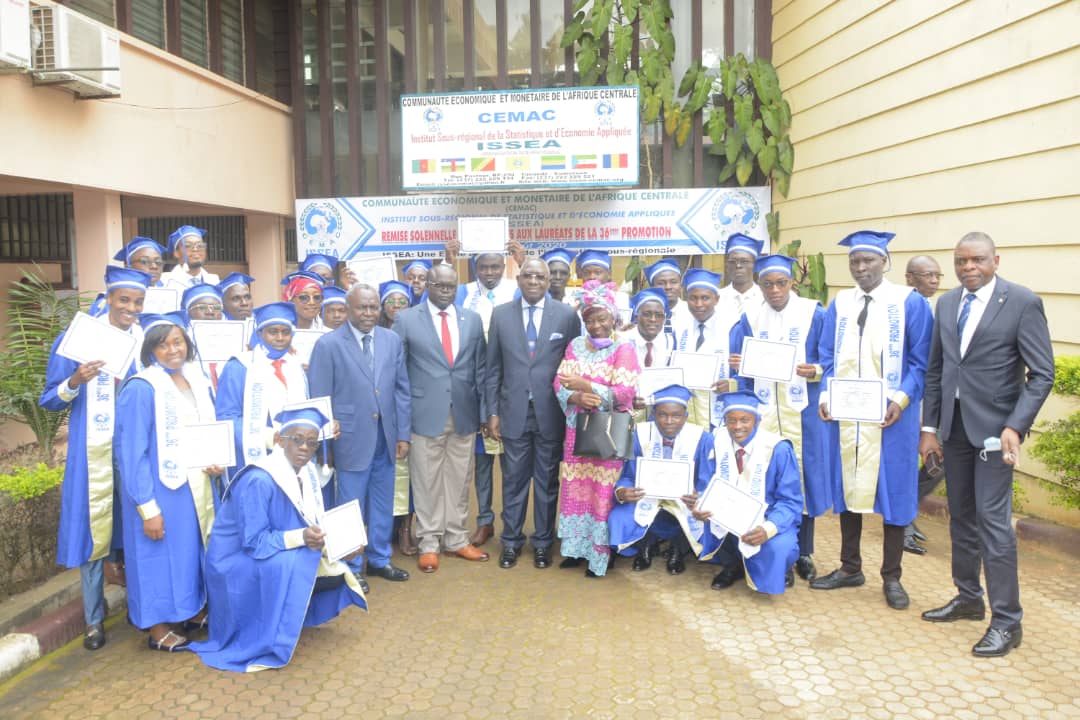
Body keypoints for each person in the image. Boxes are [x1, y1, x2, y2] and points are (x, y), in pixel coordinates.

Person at [919, 232, 1054, 657]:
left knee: (993, 524)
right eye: (961, 261)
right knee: (961, 517)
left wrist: (1016, 425)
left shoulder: (1022, 302)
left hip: (997, 434)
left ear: (996, 260)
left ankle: (1008, 622)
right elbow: (937, 371)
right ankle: (968, 598)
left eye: (977, 260)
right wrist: (929, 428)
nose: (969, 267)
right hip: (954, 429)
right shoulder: (946, 303)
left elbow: (1042, 374)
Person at [191, 408, 367, 672]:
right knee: (299, 562)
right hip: (235, 561)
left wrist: (342, 547)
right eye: (297, 439)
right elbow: (254, 543)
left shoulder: (305, 473)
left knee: (330, 566)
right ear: (281, 441)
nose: (304, 447)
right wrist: (303, 538)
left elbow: (313, 525)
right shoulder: (260, 479)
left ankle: (284, 620)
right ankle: (265, 632)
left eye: (312, 442)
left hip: (270, 548)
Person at [811, 230, 933, 611]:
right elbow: (826, 356)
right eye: (854, 261)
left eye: (868, 260)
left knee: (895, 491)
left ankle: (892, 576)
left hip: (892, 419)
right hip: (848, 416)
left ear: (885, 262)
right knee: (848, 488)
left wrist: (901, 399)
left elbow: (921, 361)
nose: (861, 267)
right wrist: (827, 395)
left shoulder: (909, 302)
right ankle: (850, 567)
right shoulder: (840, 303)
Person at [40, 266, 150, 651]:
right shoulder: (79, 338)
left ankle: (146, 610)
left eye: (138, 301)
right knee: (94, 535)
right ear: (109, 298)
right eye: (124, 300)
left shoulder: (146, 338)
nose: (131, 308)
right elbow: (49, 399)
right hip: (94, 455)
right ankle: (93, 619)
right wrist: (75, 381)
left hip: (137, 451)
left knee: (140, 526)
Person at [115, 312, 219, 651]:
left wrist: (215, 459)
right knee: (157, 555)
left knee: (189, 551)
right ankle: (157, 628)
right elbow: (132, 454)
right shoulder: (141, 387)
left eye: (178, 342)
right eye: (163, 345)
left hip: (195, 485)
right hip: (160, 488)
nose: (173, 350)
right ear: (150, 350)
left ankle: (191, 610)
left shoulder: (195, 379)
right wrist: (148, 508)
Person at [308, 285, 412, 587]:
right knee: (349, 505)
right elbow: (320, 396)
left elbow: (402, 390)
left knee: (382, 501)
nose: (368, 313)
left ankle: (379, 559)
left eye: (373, 307)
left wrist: (403, 434)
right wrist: (325, 445)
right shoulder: (328, 345)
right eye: (361, 307)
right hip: (349, 438)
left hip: (386, 436)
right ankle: (351, 566)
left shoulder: (391, 340)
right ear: (348, 309)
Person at [392, 263, 489, 572]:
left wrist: (484, 413)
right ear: (427, 286)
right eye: (439, 285)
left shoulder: (471, 320)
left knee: (459, 479)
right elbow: (397, 372)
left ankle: (457, 539)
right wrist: (400, 422)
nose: (446, 291)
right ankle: (429, 542)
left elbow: (481, 369)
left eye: (451, 286)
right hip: (423, 413)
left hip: (463, 412)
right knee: (426, 480)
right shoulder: (407, 320)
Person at [484, 258, 580, 569]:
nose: (534, 281)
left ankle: (542, 542)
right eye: (528, 276)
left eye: (540, 277)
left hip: (552, 412)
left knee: (547, 482)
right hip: (513, 412)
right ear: (519, 279)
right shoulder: (501, 315)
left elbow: (575, 363)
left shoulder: (566, 316)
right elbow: (493, 368)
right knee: (513, 481)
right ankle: (511, 541)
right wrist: (492, 412)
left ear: (549, 281)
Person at [742, 254, 830, 582]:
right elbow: (741, 368)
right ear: (760, 285)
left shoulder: (813, 313)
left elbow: (832, 358)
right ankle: (775, 549)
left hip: (803, 413)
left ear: (792, 282)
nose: (775, 290)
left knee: (803, 481)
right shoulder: (750, 317)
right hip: (763, 414)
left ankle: (802, 551)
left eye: (781, 283)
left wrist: (816, 369)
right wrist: (739, 364)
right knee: (766, 480)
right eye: (767, 284)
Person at [553, 280, 641, 577]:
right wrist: (575, 397)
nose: (596, 325)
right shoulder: (575, 346)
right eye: (590, 320)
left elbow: (625, 393)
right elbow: (559, 381)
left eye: (602, 319)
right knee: (575, 490)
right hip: (576, 429)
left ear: (613, 318)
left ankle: (600, 556)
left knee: (602, 493)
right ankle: (575, 550)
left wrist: (588, 386)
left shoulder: (623, 348)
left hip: (607, 431)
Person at [694, 391, 803, 594]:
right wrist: (700, 505)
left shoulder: (777, 449)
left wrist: (768, 529)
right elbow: (704, 484)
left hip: (767, 517)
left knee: (780, 547)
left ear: (757, 421)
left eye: (745, 420)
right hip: (726, 514)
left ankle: (782, 567)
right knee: (701, 524)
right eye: (731, 420)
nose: (737, 427)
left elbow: (790, 502)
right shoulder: (715, 441)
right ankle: (733, 565)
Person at [451, 250, 519, 547]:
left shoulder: (517, 290)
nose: (489, 272)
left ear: (504, 266)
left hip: (509, 388)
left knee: (510, 465)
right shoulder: (462, 293)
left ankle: (511, 523)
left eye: (495, 266)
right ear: (474, 267)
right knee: (481, 465)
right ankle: (484, 521)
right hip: (475, 387)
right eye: (483, 267)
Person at [609, 385, 715, 574]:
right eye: (662, 415)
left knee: (706, 519)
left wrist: (699, 496)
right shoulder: (640, 434)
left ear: (686, 416)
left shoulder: (702, 438)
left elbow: (707, 480)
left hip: (684, 502)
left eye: (676, 416)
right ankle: (646, 545)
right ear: (653, 415)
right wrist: (623, 492)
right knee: (619, 517)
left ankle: (679, 548)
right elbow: (628, 475)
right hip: (647, 498)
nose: (668, 421)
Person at [215, 303, 309, 471]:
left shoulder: (296, 366)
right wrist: (269, 437)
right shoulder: (239, 366)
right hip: (254, 456)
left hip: (296, 454)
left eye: (286, 332)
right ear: (259, 333)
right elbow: (227, 416)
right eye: (273, 332)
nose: (280, 338)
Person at [672, 268, 752, 428]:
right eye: (693, 298)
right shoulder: (678, 329)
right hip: (686, 414)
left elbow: (749, 372)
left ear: (716, 299)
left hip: (720, 414)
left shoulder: (733, 329)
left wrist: (734, 384)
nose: (699, 304)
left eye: (705, 298)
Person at [903, 254, 944, 555]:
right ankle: (902, 525)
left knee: (938, 463)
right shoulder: (904, 307)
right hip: (909, 400)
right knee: (907, 464)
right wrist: (917, 411)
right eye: (927, 275)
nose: (934, 280)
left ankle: (907, 515)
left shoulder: (934, 306)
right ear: (910, 278)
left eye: (937, 275)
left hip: (935, 398)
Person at [378, 280, 418, 555]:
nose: (396, 306)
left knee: (408, 471)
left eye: (402, 301)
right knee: (382, 470)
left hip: (407, 405)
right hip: (379, 409)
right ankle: (385, 528)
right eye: (390, 301)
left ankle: (405, 528)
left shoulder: (415, 329)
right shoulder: (373, 331)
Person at [574, 250, 631, 327]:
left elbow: (623, 326)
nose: (592, 277)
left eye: (598, 272)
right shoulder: (575, 298)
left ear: (609, 274)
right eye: (587, 273)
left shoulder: (620, 298)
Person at [718, 234, 765, 316]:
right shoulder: (716, 298)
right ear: (727, 266)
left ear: (755, 265)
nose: (738, 265)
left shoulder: (765, 298)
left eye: (744, 261)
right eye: (732, 262)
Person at [643, 258, 691, 331]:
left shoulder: (693, 312)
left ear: (681, 285)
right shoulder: (642, 316)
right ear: (652, 288)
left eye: (673, 282)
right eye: (661, 283)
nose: (668, 287)